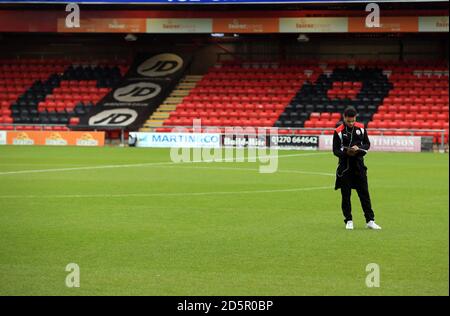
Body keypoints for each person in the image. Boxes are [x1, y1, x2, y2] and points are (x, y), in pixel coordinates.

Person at [333, 106, 381, 230]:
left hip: (359, 166)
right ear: (344, 118)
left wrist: (358, 149)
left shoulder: (361, 128)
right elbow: (335, 150)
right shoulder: (338, 131)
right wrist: (346, 152)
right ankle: (348, 220)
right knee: (346, 195)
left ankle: (370, 220)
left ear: (355, 118)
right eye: (348, 121)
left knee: (364, 194)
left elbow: (367, 144)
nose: (351, 123)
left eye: (353, 121)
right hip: (345, 167)